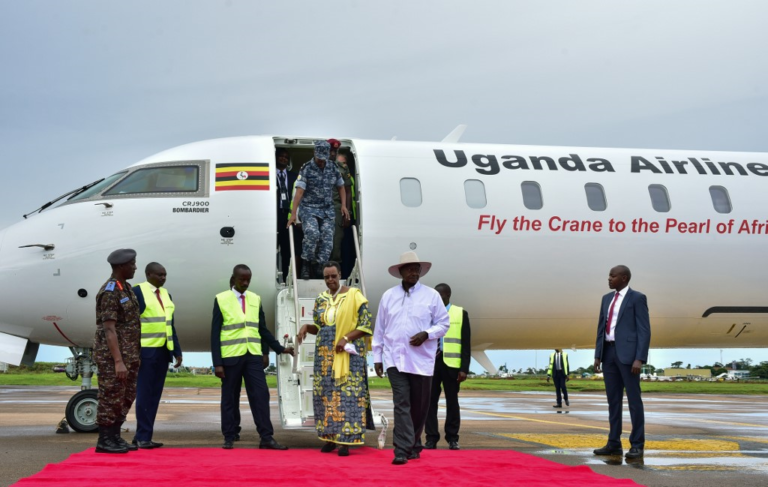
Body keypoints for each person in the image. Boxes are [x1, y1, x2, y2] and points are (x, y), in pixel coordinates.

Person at [373, 251, 450, 465]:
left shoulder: (431, 296)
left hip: (421, 361)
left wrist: (427, 334)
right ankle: (401, 449)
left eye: (417, 268)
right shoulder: (388, 296)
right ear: (400, 272)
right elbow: (380, 328)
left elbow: (444, 324)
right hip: (394, 360)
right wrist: (377, 357)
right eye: (409, 268)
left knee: (419, 407)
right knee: (401, 404)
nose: (414, 271)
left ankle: (414, 444)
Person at [211, 264, 295, 450]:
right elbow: (215, 334)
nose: (246, 283)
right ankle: (229, 435)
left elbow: (262, 329)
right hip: (230, 357)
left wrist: (279, 349)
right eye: (242, 279)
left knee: (260, 395)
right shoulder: (221, 299)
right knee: (229, 398)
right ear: (233, 279)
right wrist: (217, 363)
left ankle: (266, 437)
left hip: (253, 356)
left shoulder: (255, 299)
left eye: (248, 279)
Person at [297, 261, 373, 457]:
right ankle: (330, 438)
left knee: (347, 397)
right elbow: (320, 326)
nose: (330, 280)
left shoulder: (354, 296)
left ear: (340, 275)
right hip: (324, 357)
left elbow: (365, 325)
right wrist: (306, 327)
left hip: (347, 354)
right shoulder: (321, 299)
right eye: (326, 277)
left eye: (333, 276)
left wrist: (346, 338)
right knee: (327, 396)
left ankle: (346, 441)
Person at [592, 265, 651, 460]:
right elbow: (602, 328)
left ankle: (637, 444)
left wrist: (639, 358)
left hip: (628, 357)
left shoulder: (637, 298)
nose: (609, 279)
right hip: (608, 354)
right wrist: (598, 355)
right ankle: (614, 443)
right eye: (609, 275)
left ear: (624, 278)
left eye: (612, 276)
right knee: (613, 401)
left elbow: (644, 330)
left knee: (634, 401)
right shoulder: (606, 299)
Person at [93, 249, 141, 454]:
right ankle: (104, 440)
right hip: (114, 357)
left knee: (126, 395)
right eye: (132, 264)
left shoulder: (126, 288)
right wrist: (118, 361)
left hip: (130, 355)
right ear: (122, 266)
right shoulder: (110, 291)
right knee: (111, 395)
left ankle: (115, 436)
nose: (135, 267)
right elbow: (109, 329)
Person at [131, 262, 183, 449]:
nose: (163, 278)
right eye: (159, 275)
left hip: (162, 352)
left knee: (154, 396)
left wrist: (176, 351)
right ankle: (142, 436)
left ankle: (143, 436)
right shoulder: (138, 291)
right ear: (148, 274)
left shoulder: (166, 295)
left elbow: (170, 325)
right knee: (145, 395)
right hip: (145, 352)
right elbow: (131, 325)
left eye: (165, 275)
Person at [287, 140, 349, 280]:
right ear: (315, 154)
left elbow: (341, 187)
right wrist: (293, 214)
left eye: (324, 158)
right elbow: (299, 192)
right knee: (313, 234)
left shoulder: (332, 167)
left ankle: (320, 267)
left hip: (327, 210)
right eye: (319, 159)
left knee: (327, 241)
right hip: (309, 209)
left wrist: (344, 205)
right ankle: (306, 264)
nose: (321, 162)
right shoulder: (307, 168)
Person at [424, 283, 471, 451]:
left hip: (452, 365)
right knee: (430, 403)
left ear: (448, 295)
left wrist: (464, 368)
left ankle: (452, 438)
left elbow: (465, 344)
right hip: (431, 363)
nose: (437, 299)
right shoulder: (428, 314)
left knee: (452, 403)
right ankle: (431, 438)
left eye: (440, 296)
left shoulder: (460, 313)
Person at [275, 148, 300, 282]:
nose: (283, 159)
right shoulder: (269, 175)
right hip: (274, 214)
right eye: (281, 156)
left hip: (289, 214)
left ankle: (285, 278)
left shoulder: (294, 176)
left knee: (287, 249)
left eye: (286, 157)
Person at [330, 148, 353, 265]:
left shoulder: (342, 169)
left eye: (335, 151)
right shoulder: (312, 167)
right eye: (330, 151)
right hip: (317, 209)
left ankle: (334, 272)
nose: (332, 153)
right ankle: (316, 271)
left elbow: (348, 191)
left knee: (336, 242)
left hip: (336, 208)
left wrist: (347, 212)